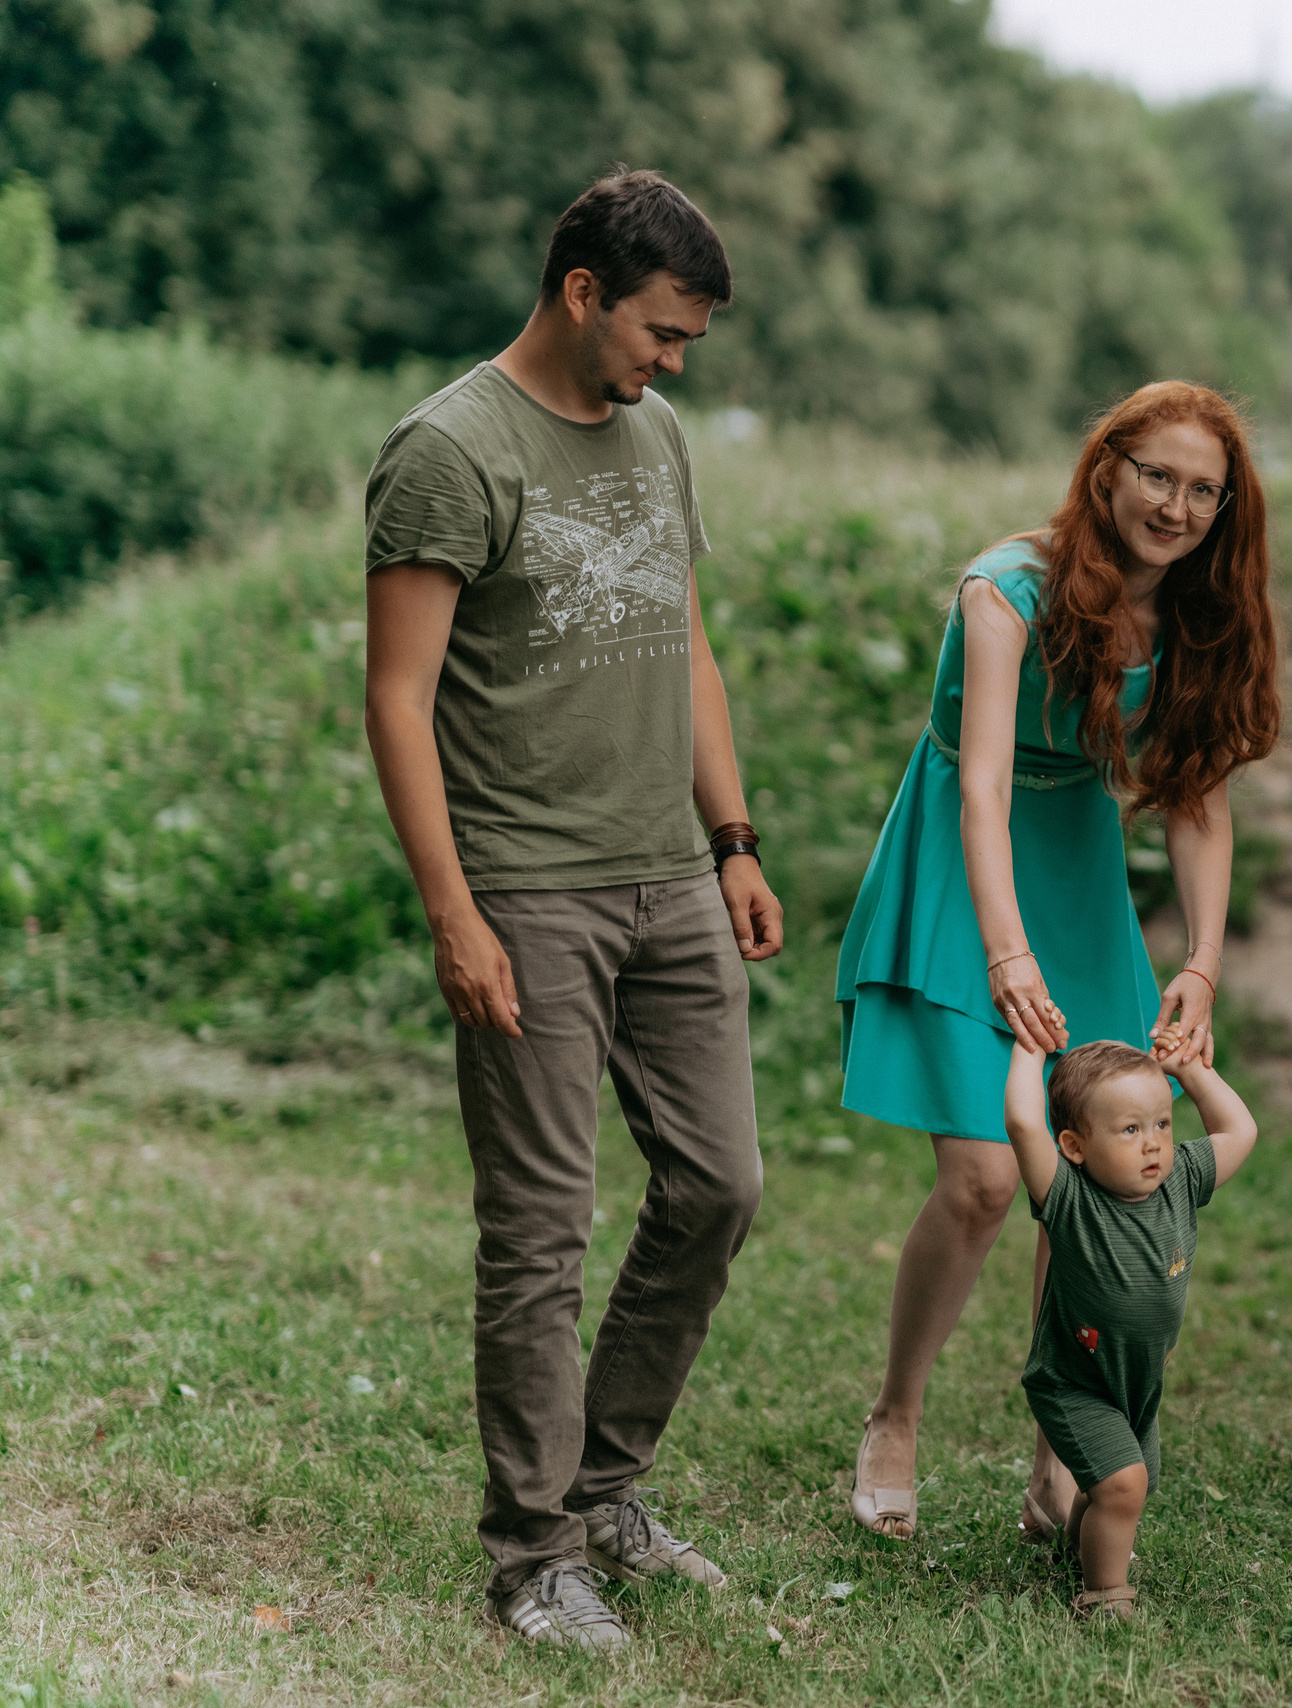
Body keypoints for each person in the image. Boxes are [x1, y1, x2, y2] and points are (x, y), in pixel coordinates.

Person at [364, 168, 782, 1652]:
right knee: (537, 1232)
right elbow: (398, 702)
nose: (676, 364)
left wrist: (731, 835)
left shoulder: (658, 437)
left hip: (668, 871)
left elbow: (687, 643)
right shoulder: (450, 450)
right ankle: (533, 1557)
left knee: (719, 1184)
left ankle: (606, 1492)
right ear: (584, 291)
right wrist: (454, 913)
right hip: (526, 888)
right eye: (663, 332)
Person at [834, 382, 1282, 1541]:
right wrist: (1005, 951)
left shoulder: (1198, 613)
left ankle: (1063, 1445)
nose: (1175, 506)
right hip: (961, 870)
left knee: (1086, 1190)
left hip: (1080, 876)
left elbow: (1194, 801)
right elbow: (981, 782)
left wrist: (1202, 965)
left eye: (1201, 489)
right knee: (986, 1179)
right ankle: (894, 1415)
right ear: (1107, 467)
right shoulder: (1008, 589)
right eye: (1156, 475)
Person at [1002, 1028, 1257, 1618]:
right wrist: (1029, 1050)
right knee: (1123, 1486)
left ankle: (1075, 1551)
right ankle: (1105, 1596)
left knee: (1112, 1487)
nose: (1154, 1145)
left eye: (1162, 1124)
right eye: (1130, 1129)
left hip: (1137, 1382)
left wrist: (1191, 1071)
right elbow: (1021, 1123)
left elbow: (1239, 1131)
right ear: (1074, 1145)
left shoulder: (1182, 1180)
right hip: (1074, 1382)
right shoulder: (1068, 1197)